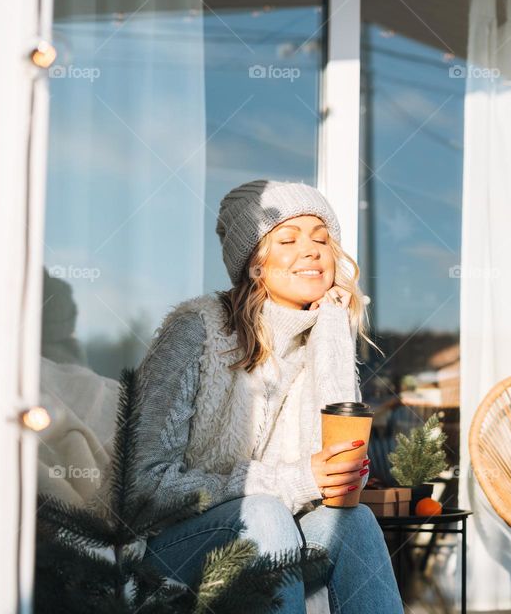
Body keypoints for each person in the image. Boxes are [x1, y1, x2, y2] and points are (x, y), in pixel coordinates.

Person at [124, 179, 403, 613]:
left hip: (276, 540)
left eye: (323, 239)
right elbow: (143, 489)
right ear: (252, 262)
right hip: (168, 551)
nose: (312, 250)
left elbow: (341, 477)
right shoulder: (195, 332)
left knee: (354, 520)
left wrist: (332, 328)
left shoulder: (323, 335)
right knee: (264, 513)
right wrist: (290, 482)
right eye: (288, 239)